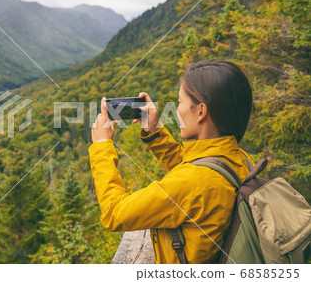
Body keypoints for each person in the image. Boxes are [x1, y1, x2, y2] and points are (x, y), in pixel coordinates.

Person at [89, 60, 254, 263]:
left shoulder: (192, 183)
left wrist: (102, 144)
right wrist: (154, 132)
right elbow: (195, 170)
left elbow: (114, 213)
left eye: (180, 102)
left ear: (201, 111)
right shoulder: (239, 158)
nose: (176, 110)